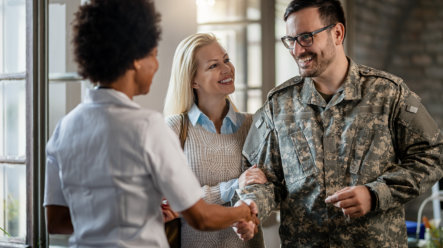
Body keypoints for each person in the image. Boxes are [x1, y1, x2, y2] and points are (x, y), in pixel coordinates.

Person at [43, 1, 258, 247]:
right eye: (153, 55)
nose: (156, 66)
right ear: (136, 59)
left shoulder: (64, 128)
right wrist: (243, 212)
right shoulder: (148, 127)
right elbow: (200, 217)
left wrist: (123, 218)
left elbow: (56, 221)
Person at [234, 0, 443, 247]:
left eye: (306, 37)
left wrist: (376, 194)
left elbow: (432, 155)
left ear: (337, 33)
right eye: (291, 40)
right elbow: (267, 181)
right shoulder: (278, 105)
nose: (297, 50)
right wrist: (250, 207)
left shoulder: (389, 94)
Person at [163, 33, 266, 247]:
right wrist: (233, 186)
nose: (227, 69)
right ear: (193, 80)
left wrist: (253, 216)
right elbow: (171, 202)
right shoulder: (174, 128)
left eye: (226, 60)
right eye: (213, 66)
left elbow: (264, 190)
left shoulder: (252, 125)